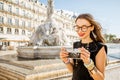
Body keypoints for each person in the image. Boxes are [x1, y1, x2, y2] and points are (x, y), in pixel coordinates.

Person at [60, 13, 107, 80]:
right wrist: (66, 61)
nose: (80, 31)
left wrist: (89, 64)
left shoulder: (100, 47)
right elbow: (74, 71)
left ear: (92, 27)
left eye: (84, 27)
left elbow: (100, 78)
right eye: (77, 27)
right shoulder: (75, 45)